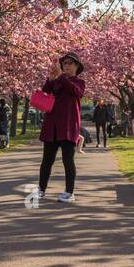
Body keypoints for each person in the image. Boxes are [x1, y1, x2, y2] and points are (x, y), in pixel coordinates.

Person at [36, 52, 86, 203]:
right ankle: (41, 189)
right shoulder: (58, 81)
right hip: (52, 126)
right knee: (47, 160)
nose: (67, 66)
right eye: (65, 63)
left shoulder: (79, 82)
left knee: (68, 160)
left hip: (68, 126)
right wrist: (50, 79)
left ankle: (69, 192)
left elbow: (76, 92)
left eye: (70, 63)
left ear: (77, 66)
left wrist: (61, 77)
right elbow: (44, 93)